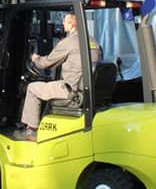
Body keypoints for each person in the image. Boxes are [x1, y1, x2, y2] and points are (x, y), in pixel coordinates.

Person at [14, 12, 98, 141]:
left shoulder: (69, 42)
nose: (62, 24)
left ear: (71, 25)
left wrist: (36, 59)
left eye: (65, 21)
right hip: (86, 88)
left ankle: (31, 131)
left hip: (71, 90)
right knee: (50, 84)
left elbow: (47, 63)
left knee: (32, 87)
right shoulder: (92, 40)